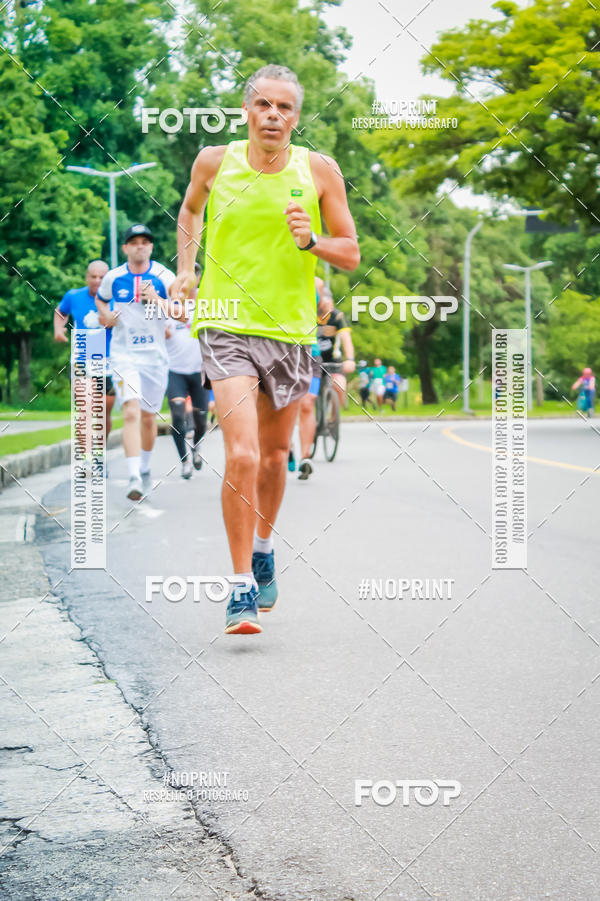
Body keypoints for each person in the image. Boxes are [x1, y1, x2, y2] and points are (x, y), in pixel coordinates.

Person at [171, 63, 359, 635]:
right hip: (223, 324)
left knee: (277, 457)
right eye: (263, 106)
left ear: (297, 117)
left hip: (291, 332)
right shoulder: (214, 161)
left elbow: (349, 252)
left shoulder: (319, 170)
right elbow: (189, 212)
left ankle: (262, 547)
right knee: (244, 455)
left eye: (285, 108)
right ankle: (239, 589)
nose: (273, 116)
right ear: (246, 111)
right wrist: (186, 270)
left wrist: (311, 241)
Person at [96, 224, 184, 501]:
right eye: (134, 242)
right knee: (131, 411)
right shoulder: (113, 277)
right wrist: (106, 316)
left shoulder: (163, 275)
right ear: (125, 248)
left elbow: (181, 314)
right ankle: (133, 476)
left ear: (151, 247)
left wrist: (157, 299)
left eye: (145, 242)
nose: (140, 246)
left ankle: (144, 467)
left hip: (155, 358)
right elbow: (101, 300)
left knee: (148, 417)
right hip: (123, 356)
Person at [54, 260, 113, 463]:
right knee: (86, 410)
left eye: (101, 277)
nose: (97, 280)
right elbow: (60, 312)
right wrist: (58, 330)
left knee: (103, 415)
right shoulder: (73, 296)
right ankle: (87, 459)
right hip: (82, 359)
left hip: (109, 363)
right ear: (87, 277)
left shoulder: (116, 298)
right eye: (93, 276)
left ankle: (100, 454)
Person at [165, 262, 208, 478]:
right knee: (178, 415)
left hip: (199, 370)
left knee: (201, 420)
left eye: (195, 275)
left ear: (198, 278)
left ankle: (197, 447)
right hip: (175, 370)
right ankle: (184, 461)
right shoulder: (171, 302)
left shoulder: (207, 300)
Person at [292, 275, 325, 481]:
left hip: (311, 352)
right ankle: (286, 448)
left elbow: (320, 314)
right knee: (285, 406)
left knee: (307, 403)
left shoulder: (316, 283)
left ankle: (305, 457)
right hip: (282, 352)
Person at [316, 289, 355, 407]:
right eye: (325, 303)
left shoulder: (337, 316)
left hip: (333, 361)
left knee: (340, 386)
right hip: (313, 359)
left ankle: (333, 419)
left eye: (330, 302)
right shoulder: (309, 315)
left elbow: (346, 339)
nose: (329, 306)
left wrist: (350, 359)